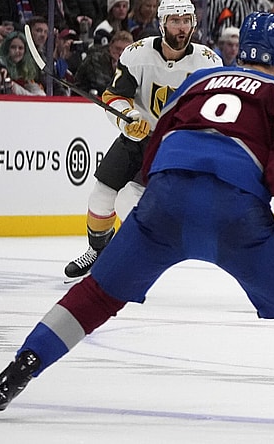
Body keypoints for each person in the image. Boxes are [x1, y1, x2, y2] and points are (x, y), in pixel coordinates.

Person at [0, 11, 274, 431]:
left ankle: (15, 373)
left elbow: (157, 142)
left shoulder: (199, 78)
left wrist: (159, 195)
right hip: (235, 215)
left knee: (96, 295)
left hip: (164, 201)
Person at [63, 0, 222, 281]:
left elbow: (214, 109)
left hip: (173, 147)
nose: (182, 27)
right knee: (101, 196)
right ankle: (97, 251)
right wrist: (128, 117)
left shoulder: (207, 62)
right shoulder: (137, 54)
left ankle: (133, 256)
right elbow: (114, 97)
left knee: (128, 200)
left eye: (186, 20)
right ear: (162, 24)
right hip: (136, 138)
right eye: (175, 20)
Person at [74, 29, 132, 95]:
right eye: (117, 49)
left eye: (125, 50)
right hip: (83, 99)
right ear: (110, 47)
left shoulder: (132, 63)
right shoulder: (96, 59)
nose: (120, 53)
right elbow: (103, 87)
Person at [0, 30, 45, 95]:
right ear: (7, 48)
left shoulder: (27, 67)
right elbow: (7, 89)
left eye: (20, 48)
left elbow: (38, 92)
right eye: (13, 47)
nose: (17, 51)